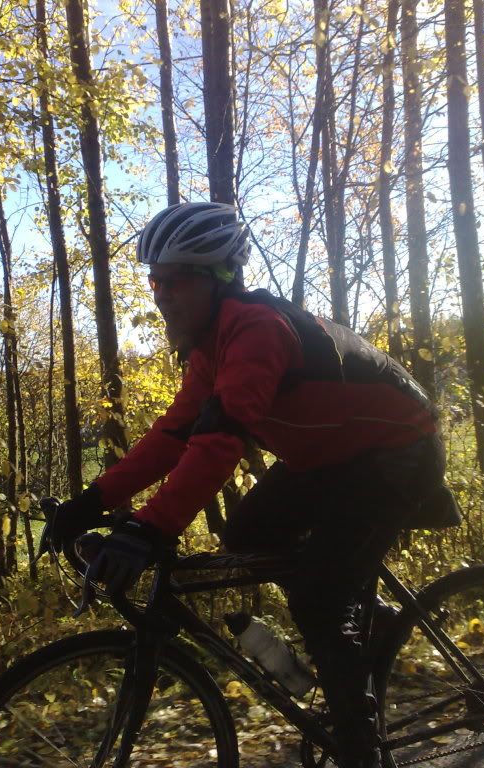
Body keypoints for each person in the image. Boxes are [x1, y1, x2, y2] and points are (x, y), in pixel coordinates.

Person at [48, 201, 448, 768]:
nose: (162, 295)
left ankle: (362, 749)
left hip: (397, 450)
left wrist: (149, 528)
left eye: (177, 280)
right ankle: (373, 618)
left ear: (219, 279)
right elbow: (173, 437)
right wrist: (89, 503)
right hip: (333, 456)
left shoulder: (257, 330)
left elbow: (220, 441)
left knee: (320, 594)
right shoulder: (211, 349)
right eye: (156, 281)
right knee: (246, 533)